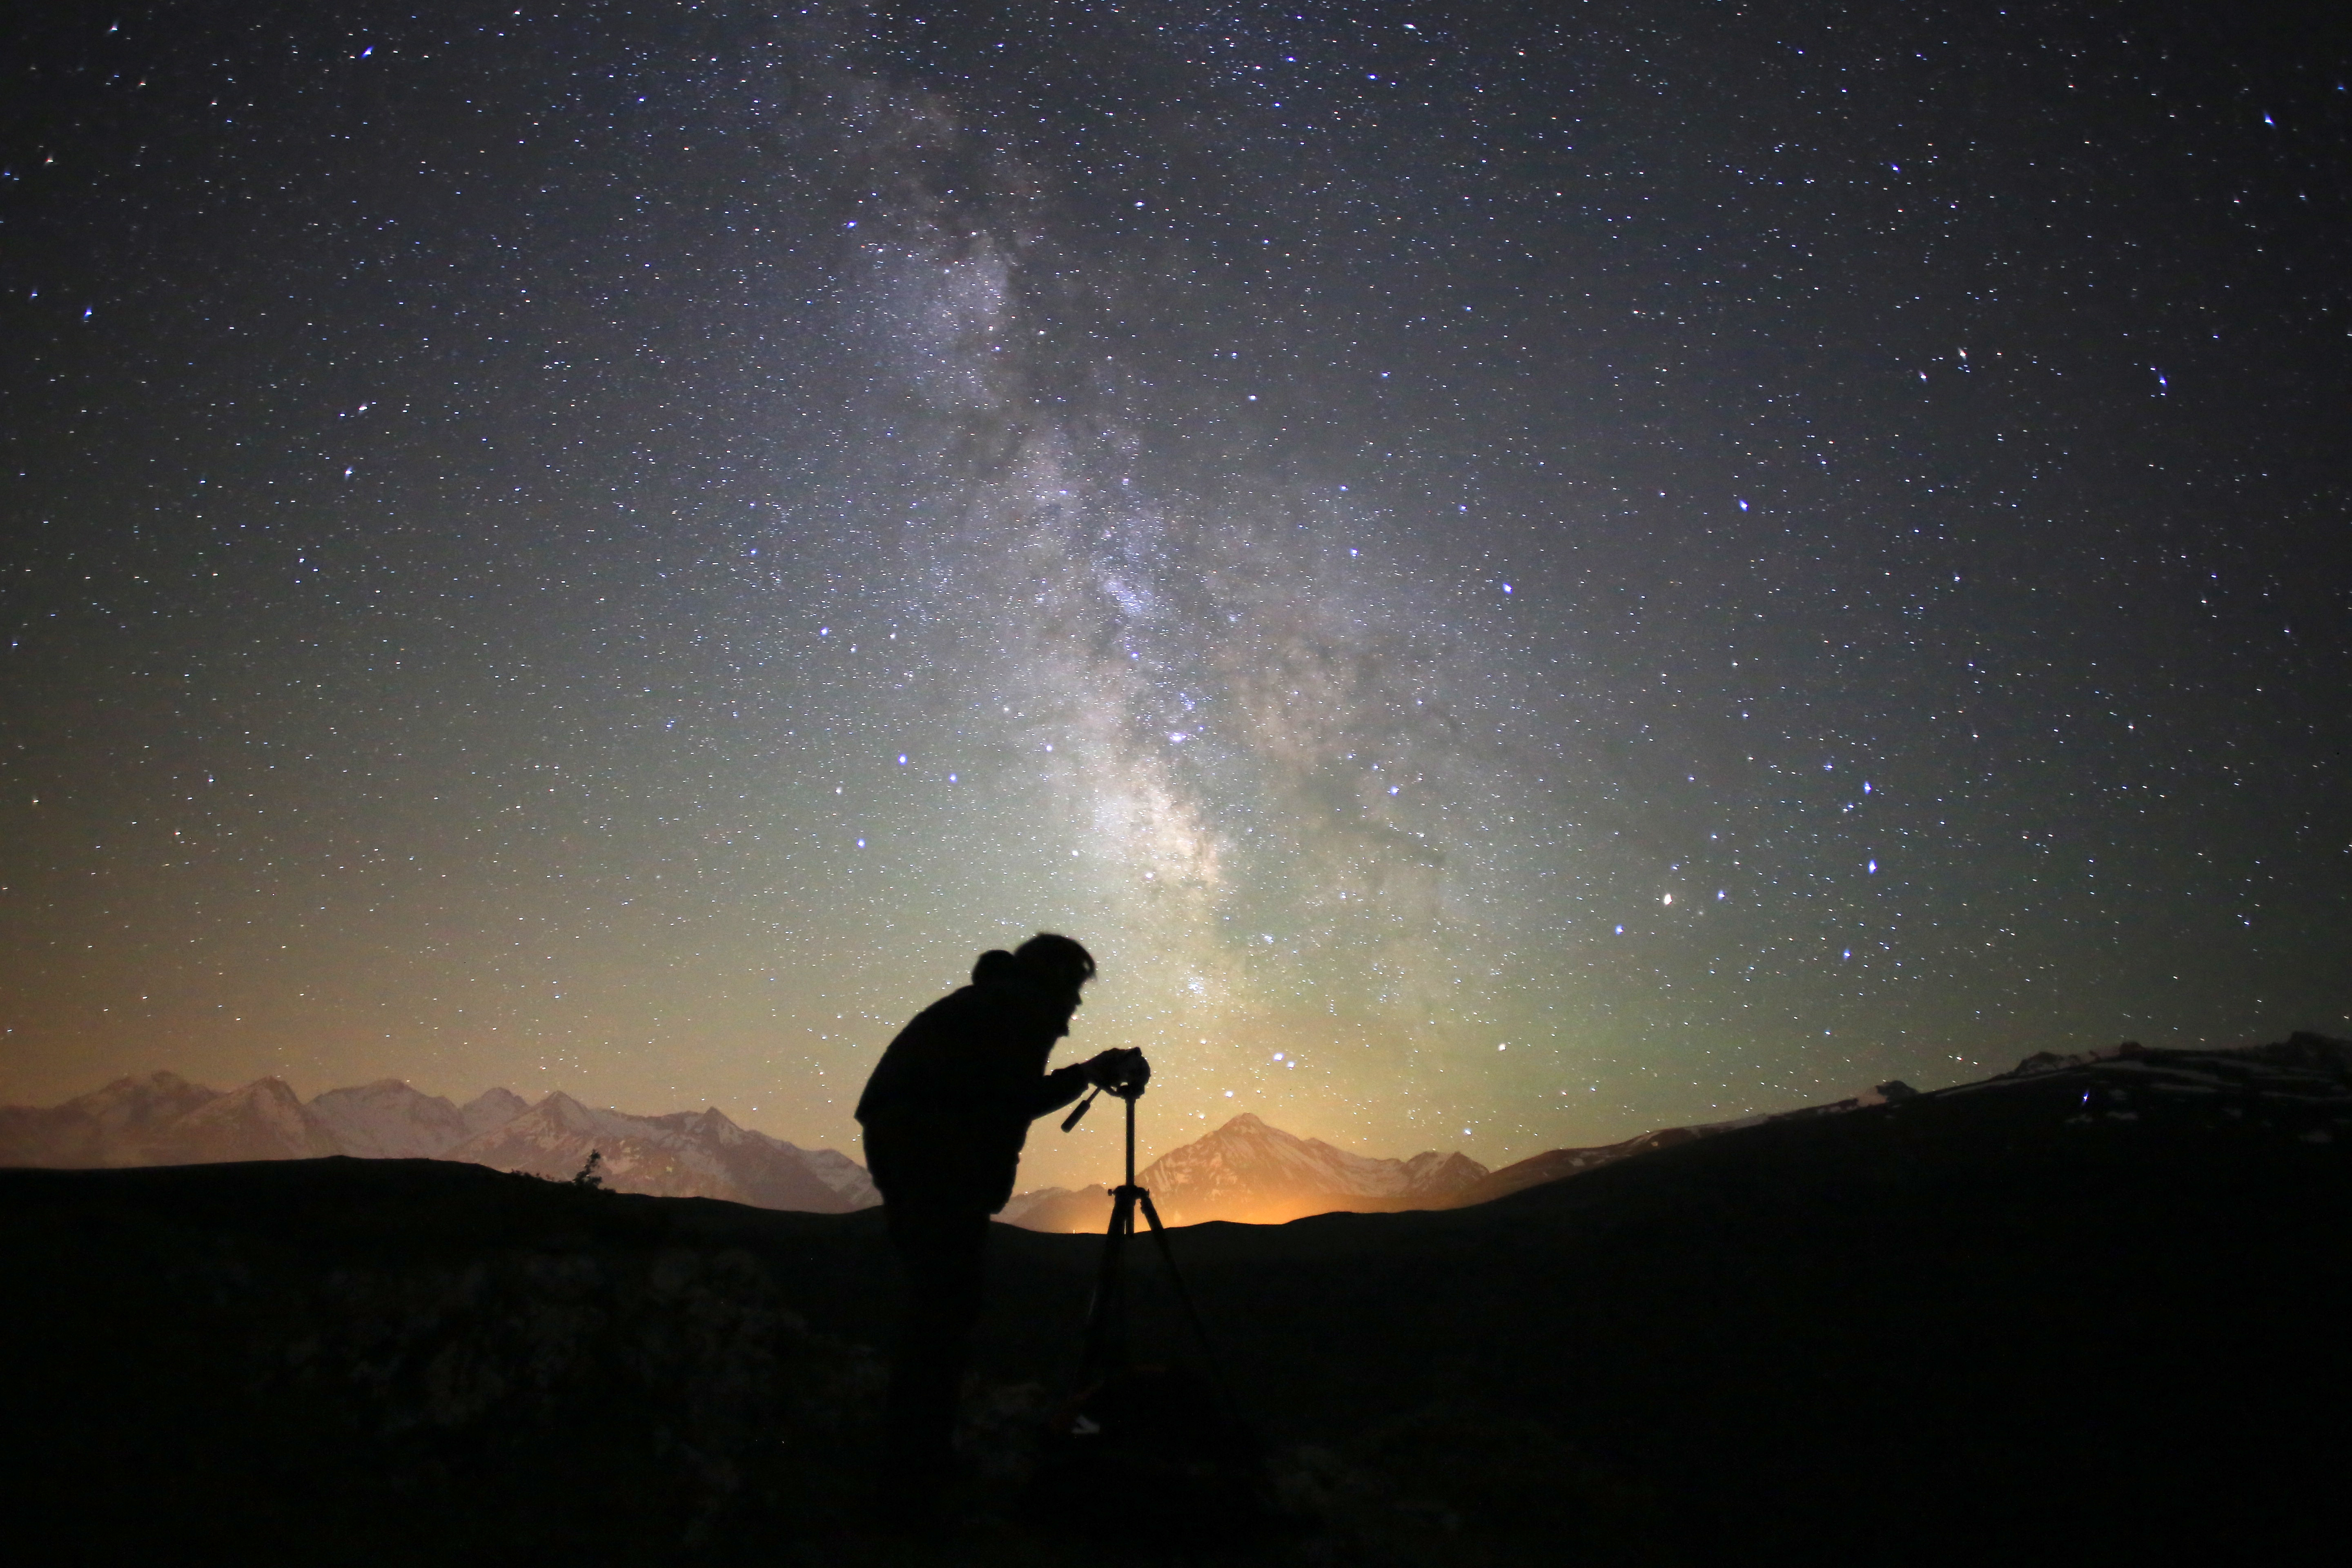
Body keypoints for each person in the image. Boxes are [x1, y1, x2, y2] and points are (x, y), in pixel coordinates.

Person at [855, 933, 1143, 1510]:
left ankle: (912, 1467)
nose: (1072, 1014)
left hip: (908, 1152)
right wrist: (1088, 1073)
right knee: (943, 1315)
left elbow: (1002, 1094)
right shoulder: (1020, 1011)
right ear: (1056, 983)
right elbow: (1013, 1099)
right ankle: (913, 1484)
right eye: (1074, 996)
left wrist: (1084, 1072)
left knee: (936, 1311)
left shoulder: (990, 1005)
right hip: (935, 1164)